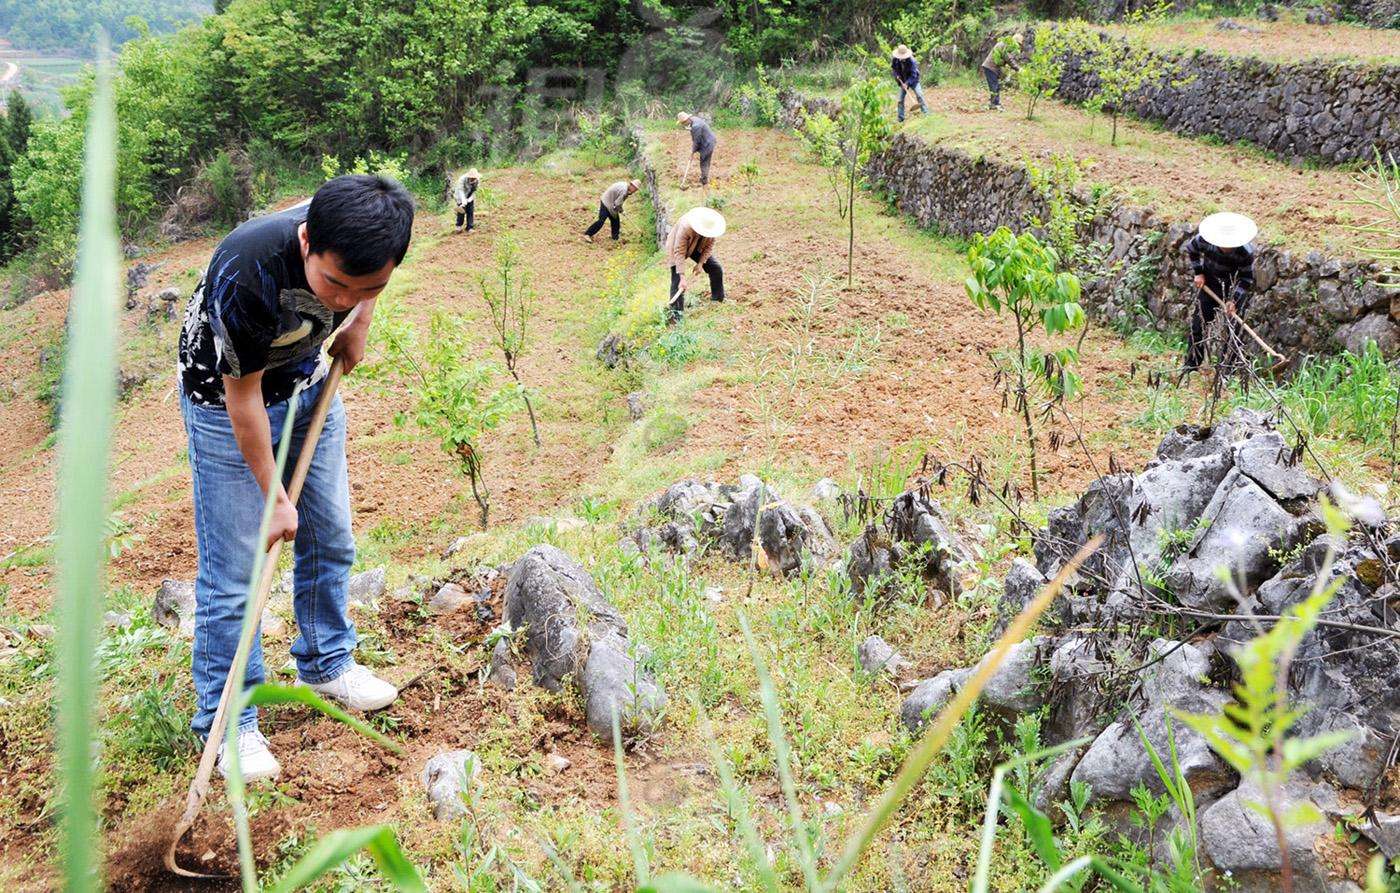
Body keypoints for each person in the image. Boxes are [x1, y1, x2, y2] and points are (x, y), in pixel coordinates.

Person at [176, 175, 413, 781]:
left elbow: (361, 288)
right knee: (236, 575)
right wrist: (276, 497)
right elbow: (242, 399)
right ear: (306, 241)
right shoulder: (246, 268)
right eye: (335, 284)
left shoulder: (368, 230)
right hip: (227, 405)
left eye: (366, 288)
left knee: (331, 537)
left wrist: (359, 320)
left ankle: (326, 662)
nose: (342, 299)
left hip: (310, 388)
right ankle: (229, 722)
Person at [1183, 212, 1257, 373]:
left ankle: (1226, 371)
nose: (1226, 246)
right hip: (1210, 284)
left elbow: (1246, 279)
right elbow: (1191, 250)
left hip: (1234, 287)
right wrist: (1198, 272)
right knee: (1198, 325)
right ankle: (1191, 366)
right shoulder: (1204, 239)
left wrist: (1234, 300)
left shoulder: (1245, 252)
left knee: (1233, 333)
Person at [664, 206, 726, 323]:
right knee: (677, 281)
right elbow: (679, 252)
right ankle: (676, 316)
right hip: (676, 246)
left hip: (697, 246)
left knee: (715, 268)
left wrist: (701, 263)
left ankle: (718, 299)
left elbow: (708, 247)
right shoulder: (686, 227)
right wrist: (682, 276)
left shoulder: (712, 229)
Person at [583, 179, 640, 243]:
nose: (634, 191)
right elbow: (617, 204)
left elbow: (618, 202)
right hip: (606, 202)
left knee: (615, 221)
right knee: (601, 221)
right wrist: (621, 210)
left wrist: (620, 209)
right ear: (631, 185)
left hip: (609, 200)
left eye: (636, 190)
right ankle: (587, 234)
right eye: (634, 189)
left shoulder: (625, 185)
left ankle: (615, 238)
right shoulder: (624, 191)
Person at [980, 33, 1023, 111]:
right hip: (990, 67)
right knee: (994, 86)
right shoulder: (1006, 45)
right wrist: (1018, 69)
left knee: (996, 86)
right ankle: (995, 104)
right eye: (1019, 43)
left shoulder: (1005, 43)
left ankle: (994, 103)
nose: (1018, 46)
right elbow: (1009, 59)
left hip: (990, 67)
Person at [677, 112, 717, 187]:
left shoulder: (696, 126)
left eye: (682, 123)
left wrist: (692, 152)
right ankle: (704, 177)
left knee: (704, 161)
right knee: (704, 160)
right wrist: (693, 151)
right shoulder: (693, 119)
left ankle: (704, 181)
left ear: (686, 121)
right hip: (705, 140)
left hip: (708, 143)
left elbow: (696, 141)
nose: (682, 125)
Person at [891, 45, 929, 123]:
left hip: (913, 80)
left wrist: (907, 83)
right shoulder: (895, 60)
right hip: (902, 80)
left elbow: (914, 75)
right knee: (900, 100)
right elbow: (894, 69)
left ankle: (926, 113)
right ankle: (900, 118)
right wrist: (896, 76)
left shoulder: (912, 61)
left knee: (919, 94)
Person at [453, 168, 480, 233]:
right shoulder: (462, 179)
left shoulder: (477, 181)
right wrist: (463, 200)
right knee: (461, 211)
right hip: (460, 195)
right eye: (471, 178)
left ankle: (469, 227)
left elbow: (475, 191)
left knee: (470, 211)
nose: (473, 179)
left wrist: (469, 199)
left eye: (474, 178)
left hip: (469, 194)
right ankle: (458, 226)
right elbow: (460, 190)